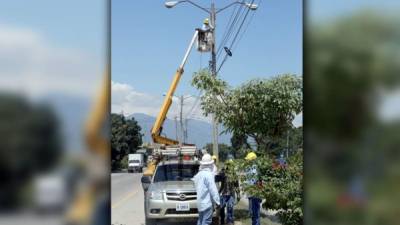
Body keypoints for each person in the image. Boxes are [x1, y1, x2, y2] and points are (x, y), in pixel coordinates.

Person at [193, 154, 220, 225]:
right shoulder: (209, 175)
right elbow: (213, 189)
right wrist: (218, 202)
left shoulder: (198, 175)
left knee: (200, 221)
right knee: (206, 222)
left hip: (200, 203)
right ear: (210, 164)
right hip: (207, 203)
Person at [218, 155, 240, 225]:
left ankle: (230, 222)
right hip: (223, 193)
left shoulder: (234, 174)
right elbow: (219, 179)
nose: (230, 166)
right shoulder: (223, 172)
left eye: (231, 165)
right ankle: (222, 221)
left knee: (230, 209)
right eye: (229, 164)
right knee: (221, 209)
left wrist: (238, 194)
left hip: (231, 194)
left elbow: (236, 185)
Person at [245, 152, 262, 225]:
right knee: (253, 214)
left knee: (255, 214)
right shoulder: (248, 168)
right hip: (251, 194)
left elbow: (255, 182)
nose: (247, 161)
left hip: (254, 194)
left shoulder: (255, 169)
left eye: (248, 160)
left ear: (252, 160)